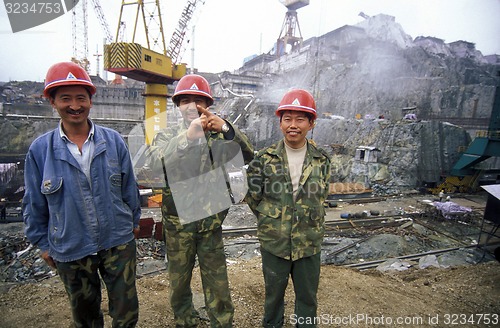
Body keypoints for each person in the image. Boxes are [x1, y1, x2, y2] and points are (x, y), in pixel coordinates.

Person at [23, 62, 141, 328]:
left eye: (81, 98)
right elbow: (33, 203)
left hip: (117, 242)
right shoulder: (40, 151)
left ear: (90, 100)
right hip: (71, 247)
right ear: (52, 101)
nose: (74, 105)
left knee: (126, 313)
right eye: (65, 98)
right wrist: (43, 244)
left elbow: (129, 189)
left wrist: (132, 224)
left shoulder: (113, 142)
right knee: (85, 318)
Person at [146, 74, 254, 327]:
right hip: (178, 225)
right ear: (178, 105)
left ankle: (222, 322)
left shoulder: (219, 136)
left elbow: (247, 154)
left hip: (210, 224)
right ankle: (185, 320)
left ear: (207, 104)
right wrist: (188, 137)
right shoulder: (167, 136)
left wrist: (227, 128)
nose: (192, 106)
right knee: (179, 280)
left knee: (217, 280)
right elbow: (155, 163)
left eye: (198, 101)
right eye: (186, 101)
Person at [245, 89, 331, 328]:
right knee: (273, 299)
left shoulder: (322, 160)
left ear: (311, 123)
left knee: (307, 299)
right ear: (280, 122)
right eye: (287, 119)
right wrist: (273, 220)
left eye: (300, 119)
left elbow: (321, 196)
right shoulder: (264, 159)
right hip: (275, 243)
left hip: (308, 244)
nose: (293, 125)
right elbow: (254, 198)